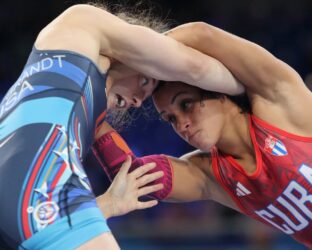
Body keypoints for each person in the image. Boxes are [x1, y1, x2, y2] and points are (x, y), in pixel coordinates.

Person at [0, 4, 245, 249]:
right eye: (145, 80)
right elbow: (197, 67)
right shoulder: (81, 22)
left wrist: (108, 205)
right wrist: (252, 90)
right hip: (39, 193)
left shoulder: (70, 99)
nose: (138, 101)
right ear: (135, 50)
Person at [93, 22, 312, 249]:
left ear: (218, 90)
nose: (182, 125)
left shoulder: (279, 103)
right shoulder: (211, 175)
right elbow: (131, 174)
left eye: (186, 104)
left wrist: (129, 65)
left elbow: (201, 34)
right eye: (170, 119)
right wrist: (89, 105)